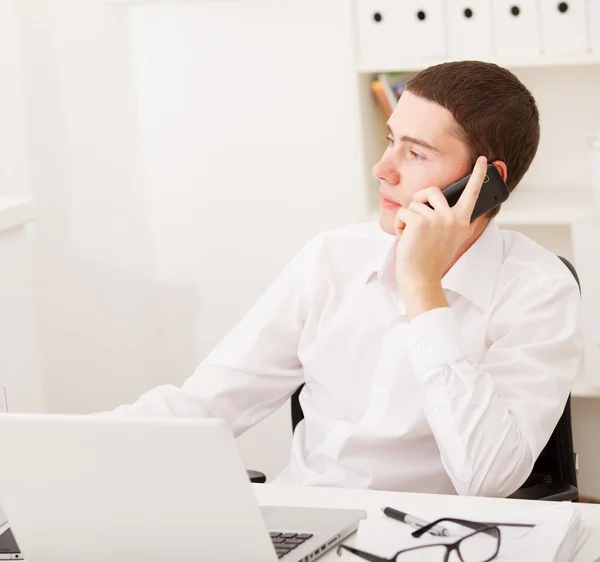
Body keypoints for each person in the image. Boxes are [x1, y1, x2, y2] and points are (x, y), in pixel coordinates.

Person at [109, 61, 581, 498]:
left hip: (432, 539)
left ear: (485, 183)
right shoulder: (331, 258)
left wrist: (421, 287)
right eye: (390, 139)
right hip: (309, 517)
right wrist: (76, 446)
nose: (383, 169)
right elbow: (209, 403)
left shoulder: (537, 289)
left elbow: (489, 478)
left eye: (415, 153)